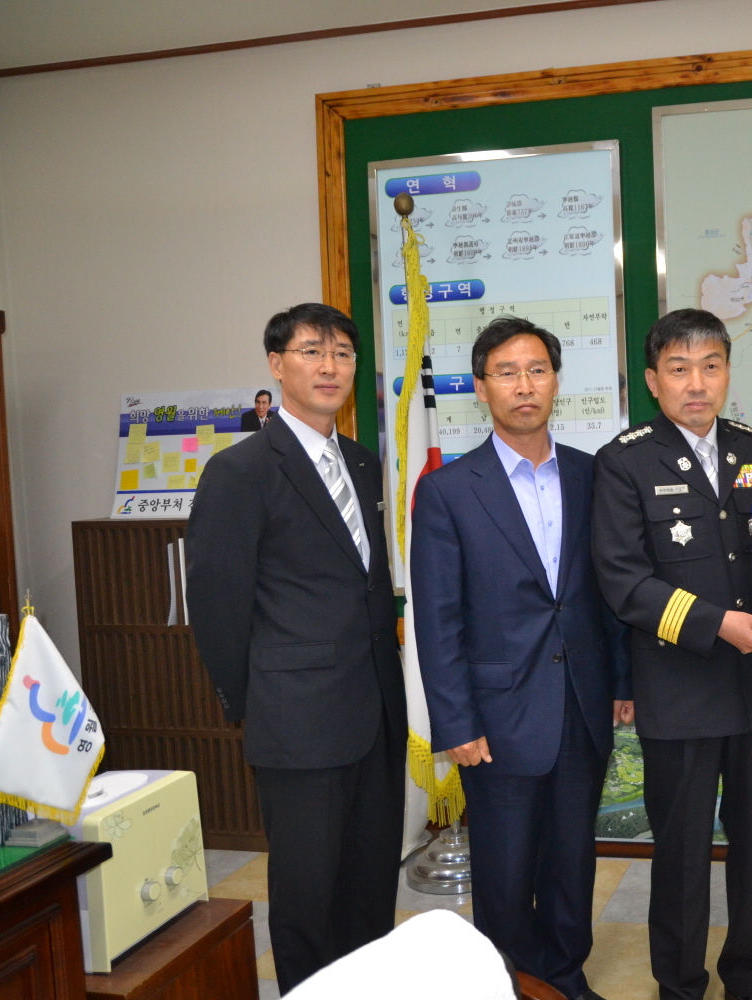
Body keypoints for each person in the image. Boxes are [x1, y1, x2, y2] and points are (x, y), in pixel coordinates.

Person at [188, 303, 406, 995]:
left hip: (376, 709)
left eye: (342, 353)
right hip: (297, 720)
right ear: (277, 365)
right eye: (312, 351)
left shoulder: (362, 463)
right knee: (309, 894)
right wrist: (254, 704)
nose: (329, 366)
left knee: (371, 882)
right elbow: (217, 603)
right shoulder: (240, 470)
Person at [411, 316, 631, 1000]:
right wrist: (455, 723)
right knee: (505, 873)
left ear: (556, 382)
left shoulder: (592, 474)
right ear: (482, 389)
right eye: (506, 373)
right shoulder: (448, 491)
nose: (524, 385)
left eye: (537, 370)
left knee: (572, 861)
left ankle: (565, 978)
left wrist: (622, 681)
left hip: (582, 705)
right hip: (496, 717)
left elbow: (611, 590)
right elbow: (437, 619)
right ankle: (508, 983)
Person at [591, 308, 752, 1000]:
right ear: (654, 380)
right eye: (679, 369)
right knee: (682, 853)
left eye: (711, 367)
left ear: (727, 373)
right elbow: (623, 581)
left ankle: (750, 975)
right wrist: (717, 625)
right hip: (678, 691)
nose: (696, 383)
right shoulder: (624, 461)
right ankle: (680, 983)